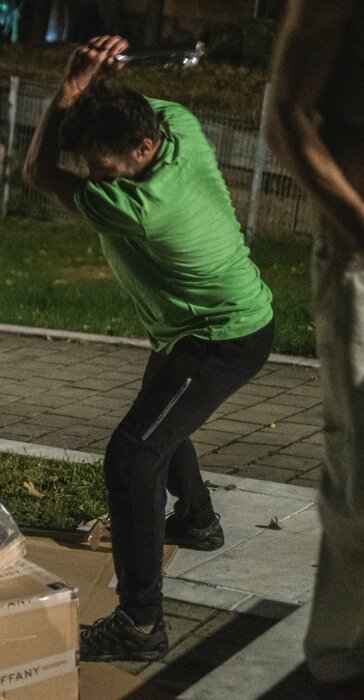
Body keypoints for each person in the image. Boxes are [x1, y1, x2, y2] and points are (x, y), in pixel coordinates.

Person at [23, 35, 274, 662]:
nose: (95, 177)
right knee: (160, 415)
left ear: (141, 149)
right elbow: (125, 114)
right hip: (206, 323)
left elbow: (36, 173)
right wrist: (100, 85)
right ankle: (197, 520)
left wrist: (70, 86)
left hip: (220, 339)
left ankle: (139, 624)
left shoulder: (141, 207)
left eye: (102, 168)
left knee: (133, 454)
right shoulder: (176, 124)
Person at [266, 2, 364, 696]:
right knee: (360, 472)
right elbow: (285, 117)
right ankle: (340, 653)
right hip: (360, 253)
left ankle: (339, 650)